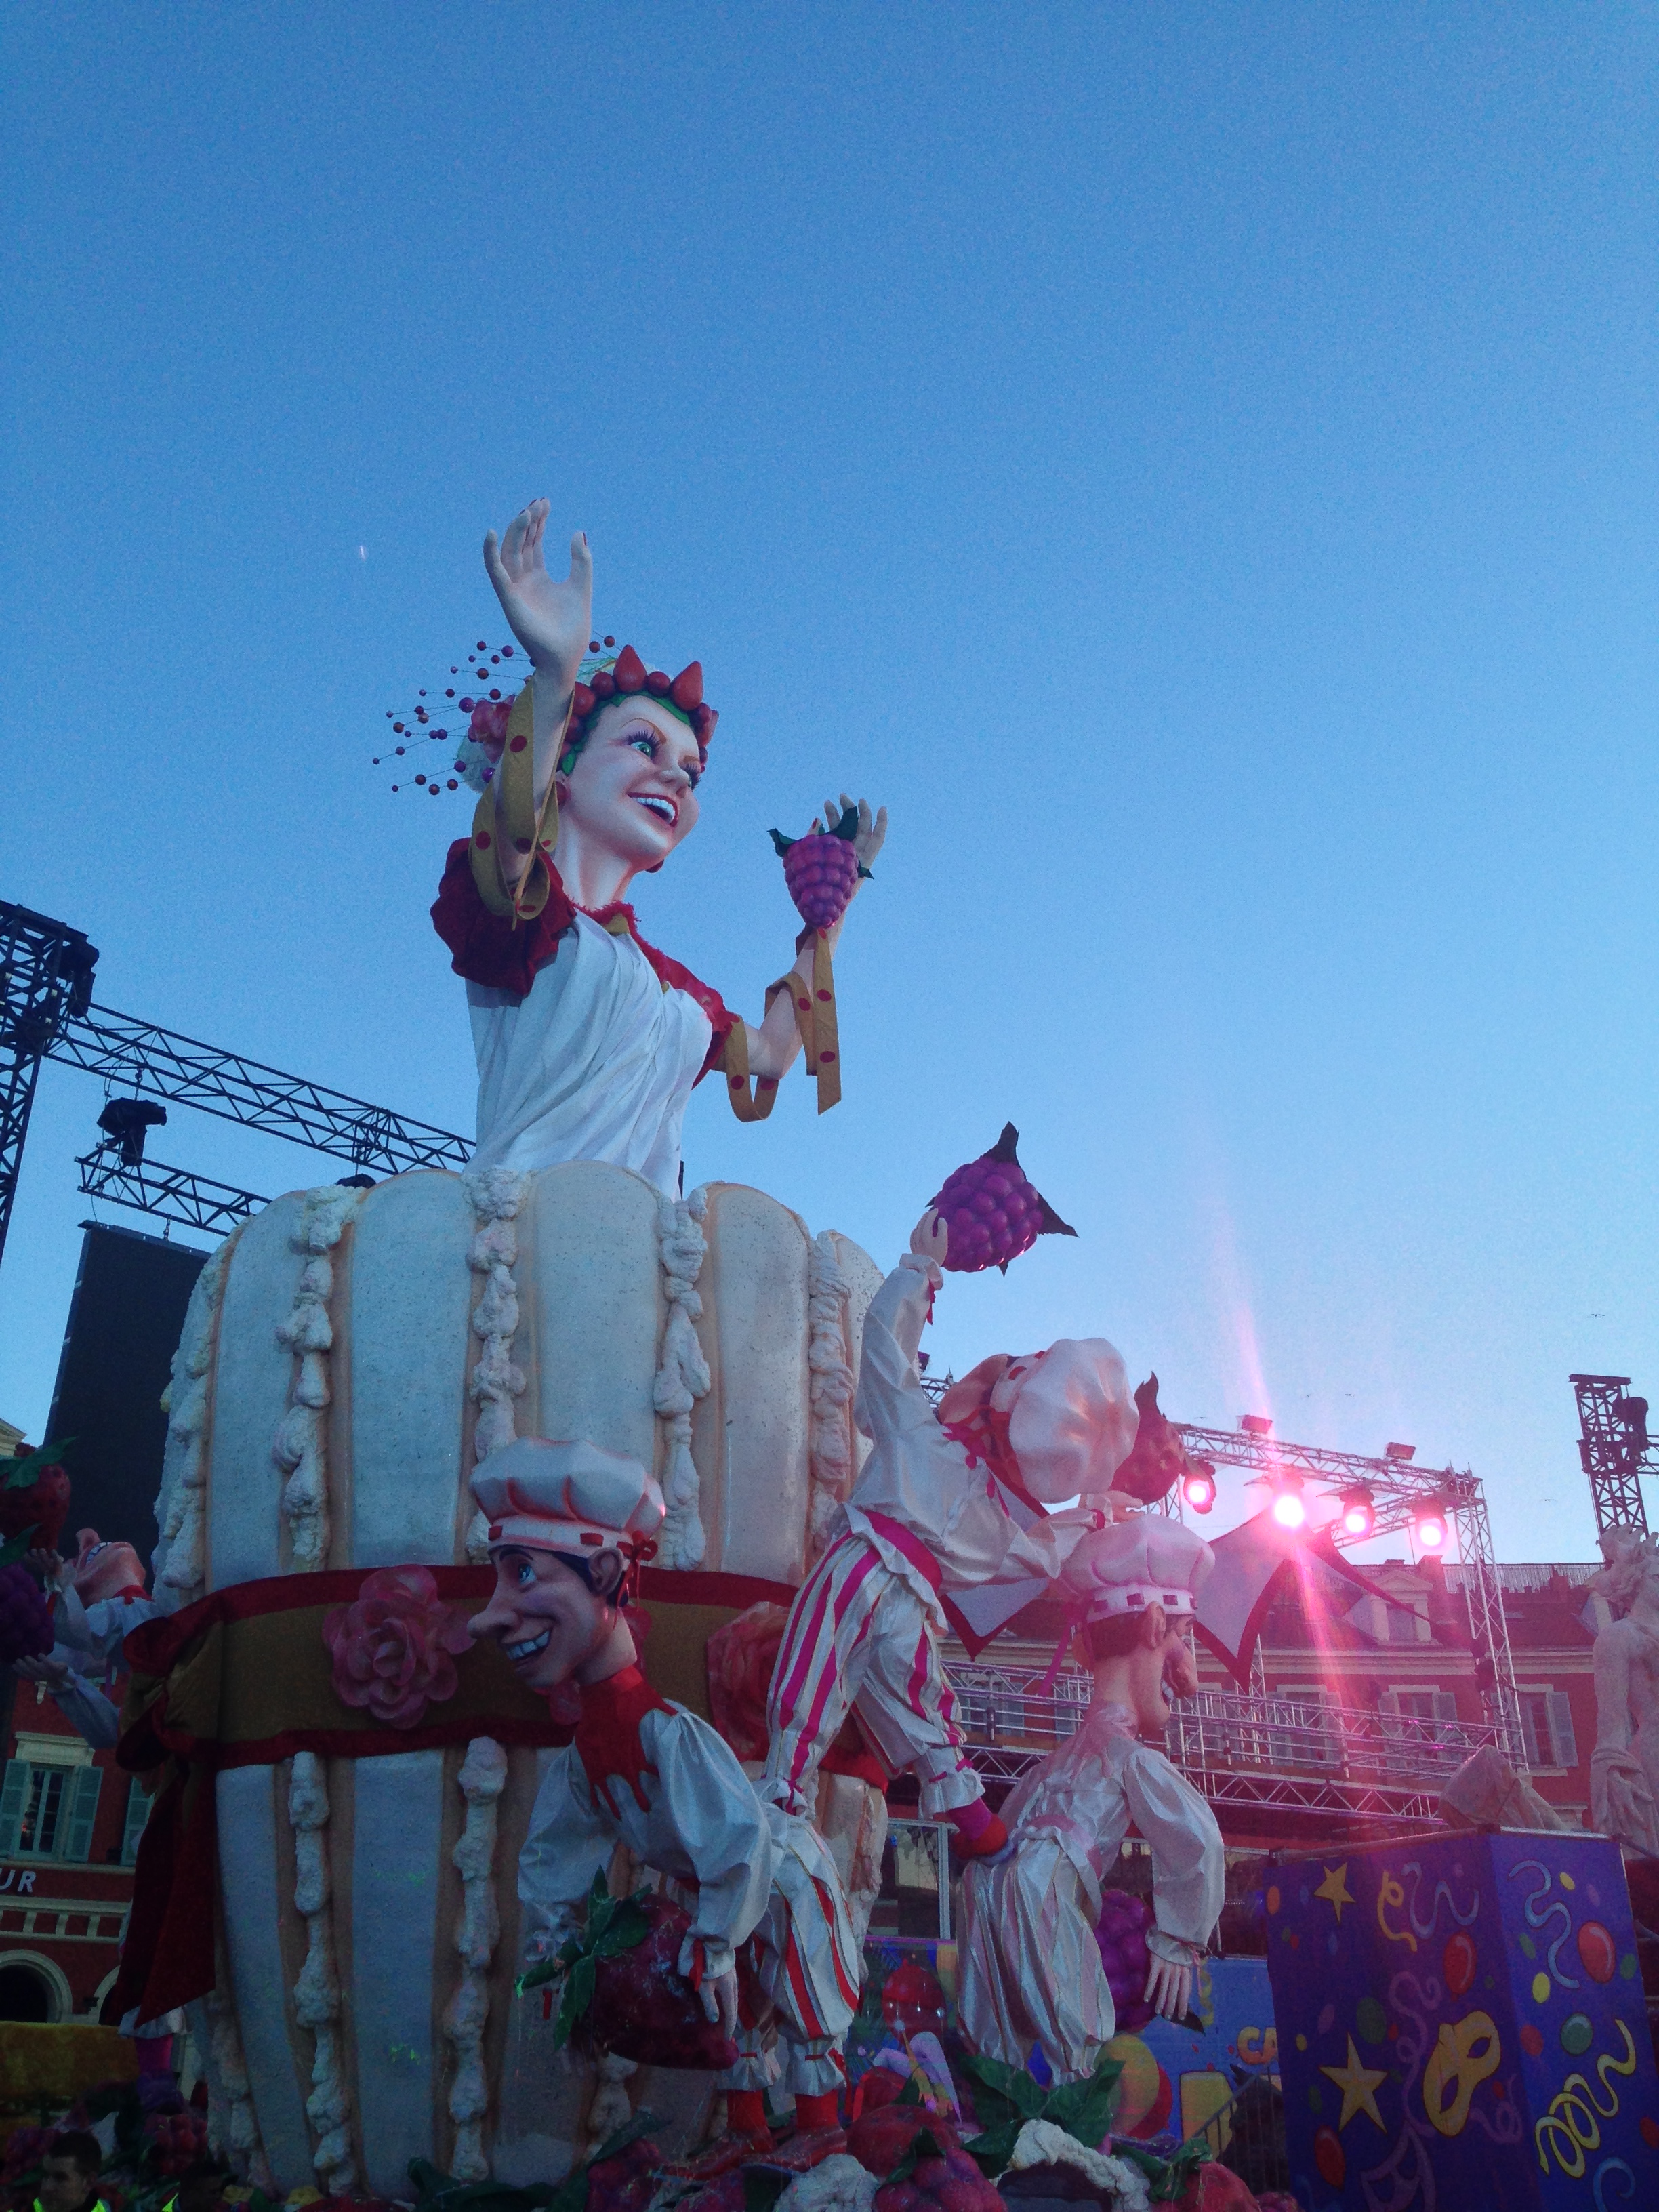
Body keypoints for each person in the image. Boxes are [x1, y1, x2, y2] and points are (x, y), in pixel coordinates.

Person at [430, 503, 886, 1197]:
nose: (676, 777)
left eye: (692, 773)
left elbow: (771, 1055)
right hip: (519, 1230)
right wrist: (555, 679)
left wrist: (831, 911)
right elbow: (513, 836)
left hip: (641, 1244)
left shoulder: (671, 985)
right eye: (644, 745)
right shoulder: (519, 907)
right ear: (562, 773)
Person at [466, 1436, 862, 2173]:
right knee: (730, 2015)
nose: (487, 1620)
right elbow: (557, 1855)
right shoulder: (591, 1752)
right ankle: (747, 2131)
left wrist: (715, 1938)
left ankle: (823, 2133)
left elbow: (741, 1841)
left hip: (775, 1877)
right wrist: (559, 1955)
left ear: (605, 1574)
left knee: (800, 2000)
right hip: (707, 1891)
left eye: (522, 1574)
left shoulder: (667, 1734)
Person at [760, 1210, 1141, 1857]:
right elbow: (1043, 1554)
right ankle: (967, 1821)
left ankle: (784, 1793)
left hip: (866, 1571)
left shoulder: (924, 1437)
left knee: (826, 1669)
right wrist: (1094, 1513)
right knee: (912, 1699)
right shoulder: (986, 1513)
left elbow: (884, 1347)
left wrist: (921, 1272)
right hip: (900, 1591)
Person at [956, 1517, 1225, 2083]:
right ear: (1154, 1624)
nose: (1187, 1666)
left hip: (987, 1885)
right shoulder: (1129, 1759)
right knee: (1073, 2059)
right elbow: (1198, 1838)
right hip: (1041, 1890)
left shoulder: (1051, 1766)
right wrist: (1179, 1938)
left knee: (994, 2060)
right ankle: (1072, 2121)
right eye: (1183, 1635)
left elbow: (1001, 1833)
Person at [35, 2132, 109, 2212]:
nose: (47, 2187)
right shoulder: (32, 2205)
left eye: (60, 2179)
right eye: (45, 2175)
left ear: (89, 2182)